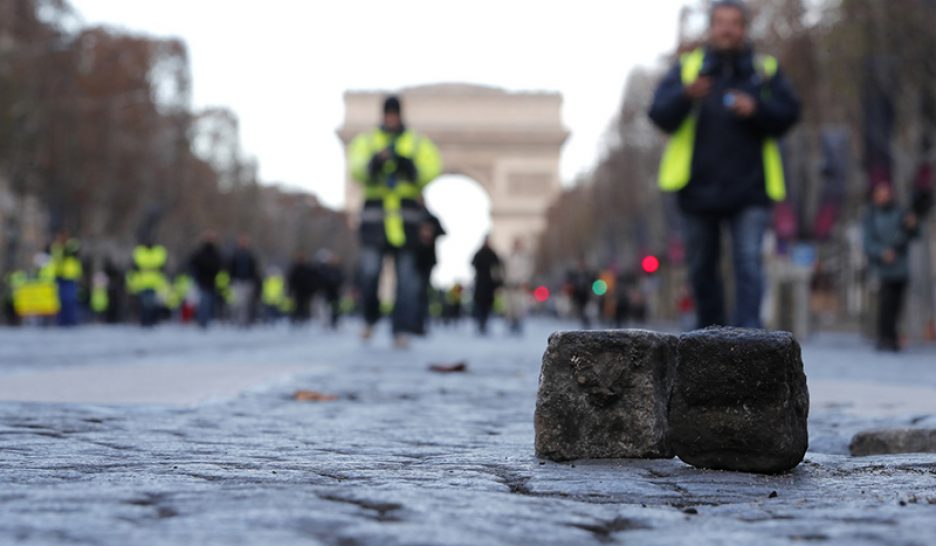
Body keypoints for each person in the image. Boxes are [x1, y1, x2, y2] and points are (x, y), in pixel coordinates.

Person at [648, 0, 800, 329]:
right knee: (702, 268)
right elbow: (658, 113)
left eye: (734, 23)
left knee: (749, 264)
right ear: (711, 27)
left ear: (744, 29)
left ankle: (749, 341)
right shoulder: (688, 68)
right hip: (696, 189)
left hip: (750, 188)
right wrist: (686, 95)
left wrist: (757, 108)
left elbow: (790, 113)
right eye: (721, 22)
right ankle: (709, 338)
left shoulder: (765, 70)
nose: (727, 29)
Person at [348, 95, 443, 348]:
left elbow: (432, 168)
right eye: (388, 113)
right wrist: (374, 164)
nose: (391, 118)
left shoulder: (416, 143)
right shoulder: (367, 141)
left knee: (407, 282)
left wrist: (408, 165)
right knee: (368, 275)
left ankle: (400, 330)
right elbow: (356, 168)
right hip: (376, 222)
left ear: (400, 115)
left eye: (394, 113)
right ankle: (369, 318)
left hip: (406, 224)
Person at [863, 183, 920, 352]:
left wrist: (912, 225)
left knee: (896, 306)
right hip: (881, 270)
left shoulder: (900, 213)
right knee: (884, 306)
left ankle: (893, 337)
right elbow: (868, 242)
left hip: (900, 269)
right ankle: (884, 337)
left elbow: (914, 234)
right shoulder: (871, 216)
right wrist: (882, 252)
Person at [414, 206, 445, 335]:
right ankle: (411, 323)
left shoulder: (432, 218)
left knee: (422, 294)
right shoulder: (411, 215)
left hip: (426, 261)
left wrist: (431, 229)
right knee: (413, 293)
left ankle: (420, 324)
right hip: (413, 260)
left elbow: (443, 232)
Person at [189, 231, 223, 329]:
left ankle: (205, 321)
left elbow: (220, 266)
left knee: (208, 303)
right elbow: (193, 265)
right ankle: (202, 322)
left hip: (212, 282)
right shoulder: (201, 252)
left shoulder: (215, 253)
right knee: (204, 303)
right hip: (203, 282)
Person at [130, 239, 168, 327]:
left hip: (154, 284)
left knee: (151, 304)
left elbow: (162, 267)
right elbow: (134, 268)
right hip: (142, 284)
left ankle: (150, 321)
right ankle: (145, 321)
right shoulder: (140, 253)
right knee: (145, 304)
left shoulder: (157, 253)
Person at [49, 231, 83, 327]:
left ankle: (71, 320)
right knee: (60, 301)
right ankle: (62, 321)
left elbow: (74, 251)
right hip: (59, 277)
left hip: (70, 277)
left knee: (70, 300)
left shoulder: (72, 245)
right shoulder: (56, 247)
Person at [471, 236, 502, 335]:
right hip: (480, 284)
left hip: (489, 285)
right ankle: (480, 324)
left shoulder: (493, 254)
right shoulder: (479, 253)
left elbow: (497, 269)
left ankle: (485, 324)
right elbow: (473, 263)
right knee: (480, 305)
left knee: (488, 306)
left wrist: (497, 283)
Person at [227, 234, 260, 327]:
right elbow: (230, 268)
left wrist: (254, 281)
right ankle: (234, 320)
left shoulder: (250, 255)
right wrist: (231, 279)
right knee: (236, 303)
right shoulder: (235, 255)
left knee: (245, 304)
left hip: (247, 282)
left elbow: (254, 270)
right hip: (237, 281)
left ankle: (243, 322)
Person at [503, 238, 534, 335]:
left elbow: (528, 270)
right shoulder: (508, 257)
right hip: (510, 285)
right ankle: (511, 325)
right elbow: (504, 271)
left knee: (520, 307)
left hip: (520, 286)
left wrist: (525, 281)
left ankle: (519, 325)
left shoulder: (525, 258)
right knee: (510, 308)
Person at [316, 249, 345, 329]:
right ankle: (325, 322)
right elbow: (321, 280)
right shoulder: (324, 269)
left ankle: (335, 322)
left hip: (335, 292)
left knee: (335, 308)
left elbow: (342, 278)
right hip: (327, 292)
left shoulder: (338, 269)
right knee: (326, 308)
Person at [287, 251, 318, 325]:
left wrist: (312, 289)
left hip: (306, 291)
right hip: (298, 291)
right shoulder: (295, 268)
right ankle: (296, 320)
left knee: (306, 306)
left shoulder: (308, 268)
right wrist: (290, 290)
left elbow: (312, 279)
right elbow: (291, 280)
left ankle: (305, 319)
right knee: (297, 306)